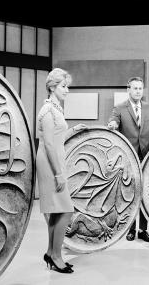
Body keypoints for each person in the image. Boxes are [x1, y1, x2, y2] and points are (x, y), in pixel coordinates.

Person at [107, 76, 149, 242]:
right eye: (134, 88)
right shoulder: (119, 108)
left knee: (143, 193)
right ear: (128, 90)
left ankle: (142, 230)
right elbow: (113, 121)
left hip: (145, 158)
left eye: (140, 88)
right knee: (129, 194)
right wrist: (113, 125)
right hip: (128, 159)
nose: (137, 91)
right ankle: (130, 228)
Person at [36, 68, 87, 273]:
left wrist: (73, 130)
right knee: (65, 211)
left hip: (55, 160)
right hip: (50, 164)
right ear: (52, 87)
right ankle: (56, 256)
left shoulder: (55, 109)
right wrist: (58, 173)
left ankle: (51, 252)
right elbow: (48, 144)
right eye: (64, 86)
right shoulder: (47, 111)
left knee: (57, 212)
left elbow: (57, 137)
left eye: (67, 87)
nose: (67, 90)